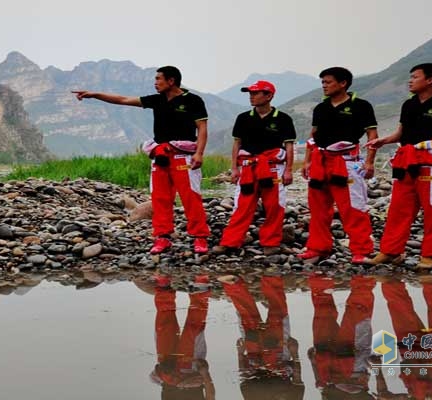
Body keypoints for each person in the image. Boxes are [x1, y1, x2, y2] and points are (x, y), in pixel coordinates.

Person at [72, 66, 211, 255]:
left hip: (183, 156)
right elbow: (122, 100)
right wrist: (94, 94)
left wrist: (199, 153)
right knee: (160, 198)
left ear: (171, 81)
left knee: (190, 197)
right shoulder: (157, 100)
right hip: (160, 155)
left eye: (158, 79)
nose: (155, 82)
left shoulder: (193, 100)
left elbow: (202, 128)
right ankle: (163, 237)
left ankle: (200, 237)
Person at [366, 63, 432, 270]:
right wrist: (383, 141)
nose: (410, 80)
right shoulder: (408, 105)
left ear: (430, 80)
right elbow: (401, 133)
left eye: (415, 77)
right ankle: (391, 251)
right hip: (406, 160)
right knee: (399, 208)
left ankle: (430, 255)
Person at [299, 67, 378, 264]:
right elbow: (313, 136)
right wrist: (307, 161)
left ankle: (361, 250)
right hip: (320, 160)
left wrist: (369, 162)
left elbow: (372, 135)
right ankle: (318, 247)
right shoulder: (321, 108)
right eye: (322, 82)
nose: (324, 86)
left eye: (328, 82)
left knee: (353, 207)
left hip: (347, 162)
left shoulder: (361, 106)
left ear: (343, 83)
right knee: (318, 207)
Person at [212, 80, 296, 256]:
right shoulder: (243, 118)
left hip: (273, 168)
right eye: (250, 93)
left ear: (269, 96)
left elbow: (288, 146)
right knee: (242, 205)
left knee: (274, 206)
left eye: (256, 93)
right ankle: (230, 242)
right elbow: (237, 144)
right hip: (248, 168)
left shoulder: (283, 119)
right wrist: (234, 168)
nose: (251, 96)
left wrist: (288, 170)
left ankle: (270, 243)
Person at [218, 274, 304, 400]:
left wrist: (240, 354)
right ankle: (271, 276)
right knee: (278, 313)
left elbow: (245, 380)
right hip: (280, 355)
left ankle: (234, 284)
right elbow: (297, 381)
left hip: (254, 356)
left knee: (246, 317)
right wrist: (295, 353)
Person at [135, 274, 215, 400]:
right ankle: (201, 285)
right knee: (194, 327)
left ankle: (163, 285)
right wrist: (205, 374)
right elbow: (211, 396)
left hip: (167, 367)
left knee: (164, 325)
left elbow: (154, 378)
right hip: (190, 368)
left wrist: (168, 379)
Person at [307, 274, 376, 399]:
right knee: (325, 309)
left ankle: (362, 276)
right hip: (341, 364)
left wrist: (314, 363)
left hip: (346, 364)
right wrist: (314, 363)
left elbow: (323, 390)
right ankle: (321, 275)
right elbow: (323, 389)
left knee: (355, 311)